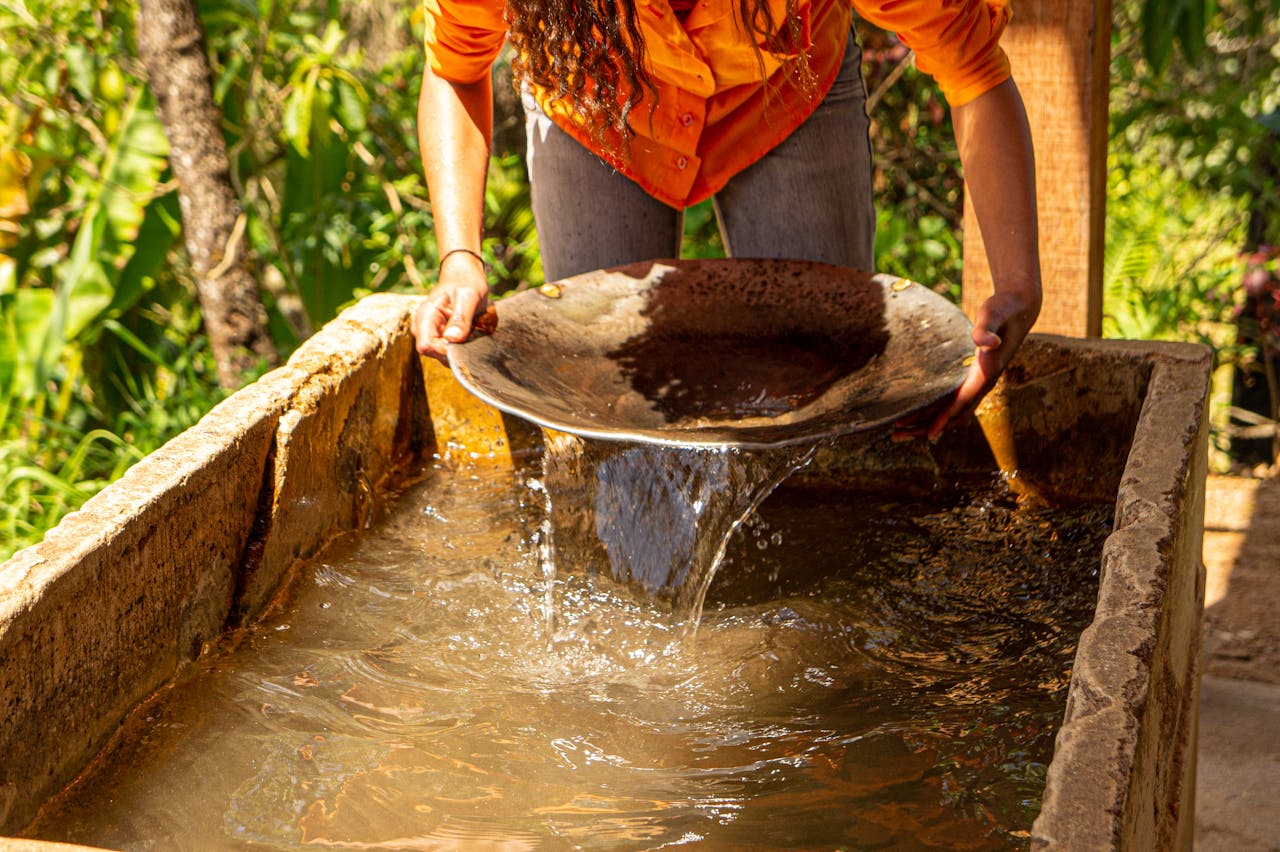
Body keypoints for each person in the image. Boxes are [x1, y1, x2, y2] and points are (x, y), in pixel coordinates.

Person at [412, 0, 1042, 440]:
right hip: (596, 95)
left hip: (785, 82)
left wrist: (1017, 283)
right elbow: (455, 69)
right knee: (598, 405)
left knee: (831, 393)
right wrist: (459, 259)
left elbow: (972, 70)